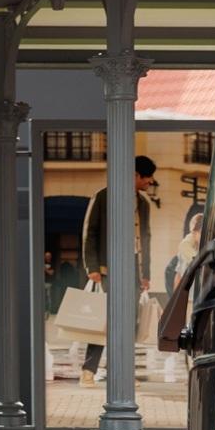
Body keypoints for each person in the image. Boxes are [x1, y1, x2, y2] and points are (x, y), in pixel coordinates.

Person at [79, 155, 156, 387]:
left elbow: (146, 238)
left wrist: (146, 274)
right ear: (135, 175)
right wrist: (92, 267)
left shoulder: (143, 204)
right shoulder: (103, 196)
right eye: (148, 177)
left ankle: (121, 373)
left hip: (133, 269)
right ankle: (88, 371)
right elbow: (90, 232)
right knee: (103, 319)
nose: (150, 181)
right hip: (107, 269)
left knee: (129, 323)